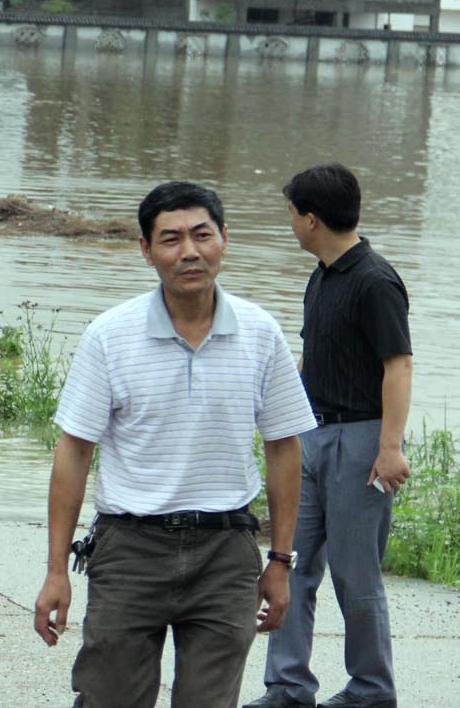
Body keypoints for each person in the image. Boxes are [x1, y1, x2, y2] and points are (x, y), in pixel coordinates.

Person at [34, 181, 316, 708]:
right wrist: (55, 572)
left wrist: (280, 561)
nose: (189, 251)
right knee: (108, 699)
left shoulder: (261, 333)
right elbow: (74, 452)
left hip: (226, 552)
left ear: (224, 240)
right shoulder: (109, 336)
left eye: (201, 235)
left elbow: (284, 447)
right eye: (170, 239)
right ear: (146, 250)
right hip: (129, 550)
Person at [247, 165, 412, 708]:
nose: (290, 222)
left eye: (292, 213)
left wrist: (390, 447)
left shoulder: (374, 279)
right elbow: (317, 358)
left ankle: (371, 690)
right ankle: (289, 688)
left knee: (354, 574)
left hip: (361, 442)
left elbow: (398, 365)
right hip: (313, 436)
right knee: (289, 561)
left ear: (310, 218)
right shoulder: (322, 275)